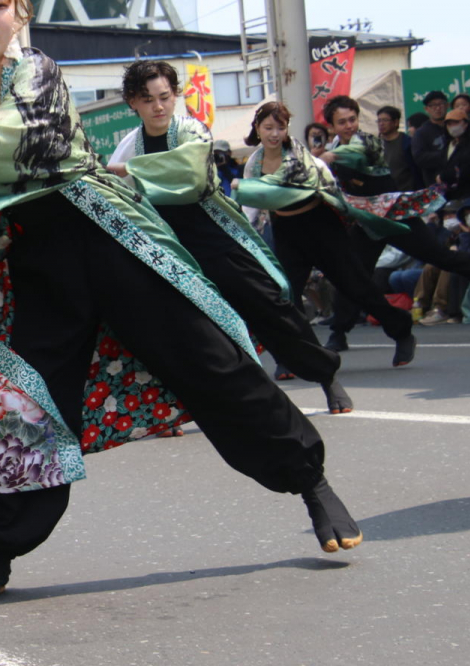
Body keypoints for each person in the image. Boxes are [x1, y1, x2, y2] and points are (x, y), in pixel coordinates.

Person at [0, 0, 361, 606]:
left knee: (209, 362)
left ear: (18, 15)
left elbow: (12, 143)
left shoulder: (38, 75)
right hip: (39, 266)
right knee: (28, 406)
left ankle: (310, 482)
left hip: (106, 234)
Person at [107, 70, 352, 411]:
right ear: (133, 102)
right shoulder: (129, 145)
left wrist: (132, 171)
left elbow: (191, 176)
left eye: (164, 97)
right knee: (170, 327)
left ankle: (326, 374)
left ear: (175, 95)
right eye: (147, 100)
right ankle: (173, 410)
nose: (158, 107)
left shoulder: (190, 130)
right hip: (165, 244)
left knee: (268, 304)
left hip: (210, 232)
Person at [318, 95, 470, 351]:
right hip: (367, 222)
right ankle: (339, 332)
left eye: (352, 119)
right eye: (342, 122)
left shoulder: (367, 143)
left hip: (395, 215)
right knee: (352, 274)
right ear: (332, 127)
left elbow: (355, 154)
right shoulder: (331, 149)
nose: (349, 125)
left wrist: (329, 157)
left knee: (440, 256)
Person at [234, 101, 418, 367]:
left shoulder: (300, 156)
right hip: (286, 230)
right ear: (258, 129)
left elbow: (327, 183)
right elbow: (252, 206)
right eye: (268, 127)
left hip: (320, 225)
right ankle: (295, 356)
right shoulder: (254, 162)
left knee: (356, 287)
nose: (275, 134)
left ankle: (401, 330)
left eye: (280, 127)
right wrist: (246, 238)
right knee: (287, 296)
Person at [439, 108, 470, 213]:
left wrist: (443, 177)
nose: (452, 126)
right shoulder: (448, 144)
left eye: (456, 122)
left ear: (466, 124)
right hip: (452, 195)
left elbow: (467, 168)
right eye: (449, 124)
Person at [377, 105, 422, 190]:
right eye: (379, 121)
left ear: (396, 122)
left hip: (407, 193)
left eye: (385, 120)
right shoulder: (375, 144)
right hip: (385, 195)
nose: (381, 124)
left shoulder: (408, 143)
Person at [411, 91, 450, 188]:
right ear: (426, 109)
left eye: (441, 104)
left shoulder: (454, 126)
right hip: (435, 186)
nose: (437, 108)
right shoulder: (421, 133)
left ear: (447, 105)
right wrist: (449, 154)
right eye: (432, 105)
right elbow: (419, 158)